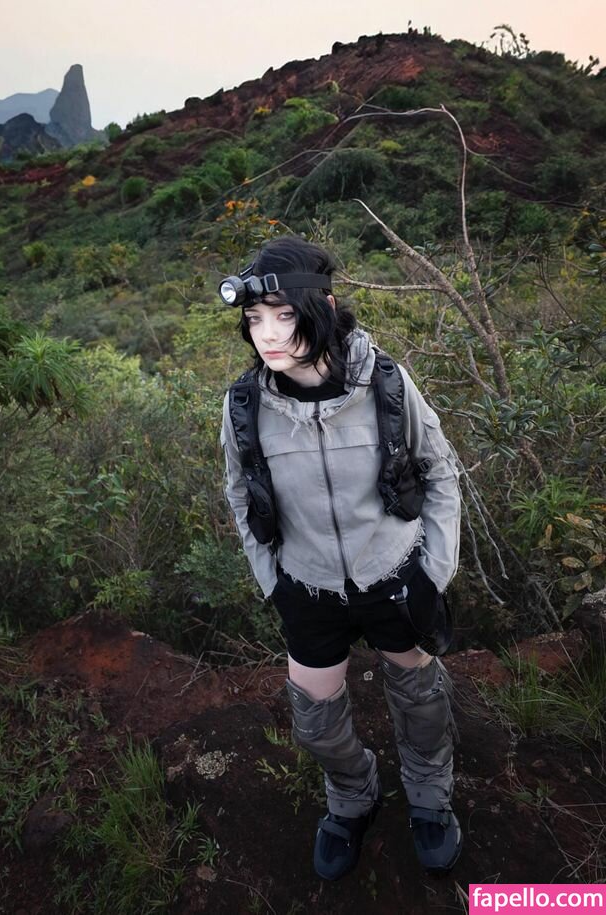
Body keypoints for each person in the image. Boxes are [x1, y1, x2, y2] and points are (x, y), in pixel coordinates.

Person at [219, 235, 462, 881]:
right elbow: (240, 493)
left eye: (284, 315)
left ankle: (429, 793)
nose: (268, 335)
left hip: (395, 575)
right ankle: (353, 794)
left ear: (322, 306)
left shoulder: (384, 383)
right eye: (255, 319)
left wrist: (434, 573)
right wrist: (272, 582)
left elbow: (440, 472)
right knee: (315, 723)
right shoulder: (245, 404)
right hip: (308, 586)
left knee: (421, 700)